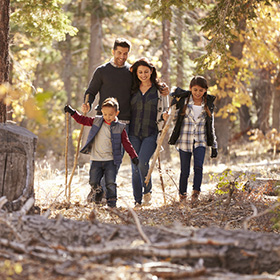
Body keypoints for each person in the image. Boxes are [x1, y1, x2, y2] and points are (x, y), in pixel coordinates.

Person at [82, 38, 169, 201]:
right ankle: (97, 190)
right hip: (104, 121)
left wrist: (163, 88)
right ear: (113, 51)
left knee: (116, 160)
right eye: (119, 53)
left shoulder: (131, 72)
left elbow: (147, 83)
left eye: (125, 53)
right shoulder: (102, 71)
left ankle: (105, 192)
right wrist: (87, 103)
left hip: (125, 124)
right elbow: (91, 91)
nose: (122, 56)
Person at [64, 97, 139, 208]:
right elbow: (83, 120)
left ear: (116, 113)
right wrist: (72, 112)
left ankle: (112, 204)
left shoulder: (119, 128)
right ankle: (98, 192)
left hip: (111, 161)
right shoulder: (97, 121)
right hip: (96, 159)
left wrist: (133, 156)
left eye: (110, 114)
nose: (107, 117)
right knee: (93, 181)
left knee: (110, 183)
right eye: (105, 114)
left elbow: (126, 143)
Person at [168, 76, 218, 207]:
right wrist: (166, 114)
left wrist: (214, 145)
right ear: (190, 88)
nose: (197, 93)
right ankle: (182, 195)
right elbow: (173, 116)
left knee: (198, 167)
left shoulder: (208, 104)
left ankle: (195, 194)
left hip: (200, 140)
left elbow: (211, 125)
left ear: (205, 90)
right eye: (195, 89)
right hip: (185, 140)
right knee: (184, 170)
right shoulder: (184, 101)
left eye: (201, 90)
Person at [129, 57, 169, 208]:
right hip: (133, 133)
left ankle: (147, 191)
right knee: (134, 166)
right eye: (140, 72)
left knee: (142, 162)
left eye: (146, 71)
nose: (143, 74)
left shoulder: (159, 90)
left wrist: (166, 115)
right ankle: (137, 200)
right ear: (136, 73)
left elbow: (167, 109)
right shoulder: (132, 89)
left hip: (151, 133)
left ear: (151, 71)